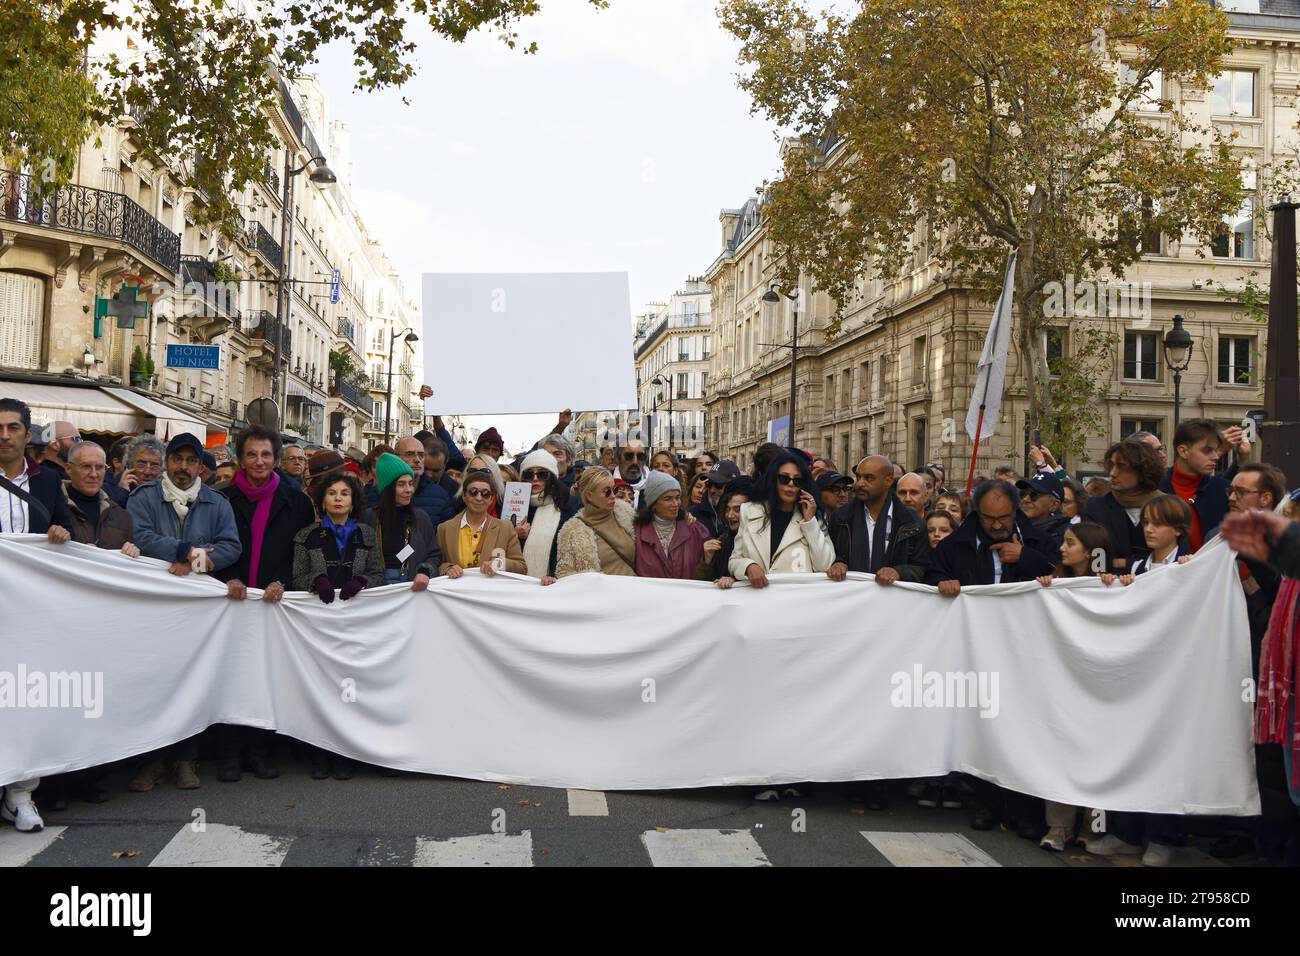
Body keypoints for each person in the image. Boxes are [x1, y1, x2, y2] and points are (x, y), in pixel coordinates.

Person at [125, 432, 242, 792]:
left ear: (200, 467)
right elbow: (140, 537)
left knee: (191, 683)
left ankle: (186, 760)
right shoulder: (143, 498)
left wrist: (191, 561)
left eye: (192, 461)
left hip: (195, 611)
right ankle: (152, 760)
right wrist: (182, 549)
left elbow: (231, 546)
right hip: (154, 608)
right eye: (178, 459)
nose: (184, 467)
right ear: (167, 462)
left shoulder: (216, 503)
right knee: (155, 683)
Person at [214, 424, 317, 783]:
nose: (259, 461)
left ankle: (260, 751)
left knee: (265, 676)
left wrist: (283, 582)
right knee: (232, 676)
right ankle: (228, 753)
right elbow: (212, 546)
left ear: (276, 459)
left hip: (275, 603)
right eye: (251, 454)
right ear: (240, 459)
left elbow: (304, 554)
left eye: (266, 454)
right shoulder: (221, 498)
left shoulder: (298, 502)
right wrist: (227, 578)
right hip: (232, 600)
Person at [1034, 522, 1119, 852]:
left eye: (1070, 543)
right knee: (1060, 755)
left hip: (1099, 686)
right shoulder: (1055, 584)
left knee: (1098, 759)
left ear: (1091, 550)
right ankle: (1058, 827)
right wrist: (1043, 590)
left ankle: (1093, 828)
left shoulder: (1110, 585)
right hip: (1063, 686)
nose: (1062, 548)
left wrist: (1122, 586)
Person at [291, 472, 382, 781]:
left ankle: (345, 752)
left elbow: (378, 573)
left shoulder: (367, 534)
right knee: (322, 687)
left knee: (350, 686)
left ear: (353, 500)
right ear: (322, 500)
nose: (339, 498)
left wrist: (362, 581)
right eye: (332, 493)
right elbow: (297, 576)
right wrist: (316, 581)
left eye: (345, 493)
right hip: (320, 623)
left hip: (356, 622)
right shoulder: (306, 536)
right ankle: (320, 751)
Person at [927, 480, 1055, 593]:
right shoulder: (952, 545)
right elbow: (932, 576)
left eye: (1004, 518)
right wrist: (942, 582)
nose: (997, 526)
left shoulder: (1038, 541)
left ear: (1015, 511)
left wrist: (1025, 556)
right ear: (977, 513)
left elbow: (1059, 578)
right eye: (989, 518)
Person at [729, 452, 835, 584]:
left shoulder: (815, 517)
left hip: (796, 600)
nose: (790, 484)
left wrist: (809, 522)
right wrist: (748, 566)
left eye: (797, 480)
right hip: (757, 599)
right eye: (784, 479)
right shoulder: (749, 511)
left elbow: (824, 565)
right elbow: (734, 560)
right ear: (774, 480)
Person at [826, 455, 930, 585]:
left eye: (869, 478)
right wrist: (838, 563)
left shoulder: (912, 522)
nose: (860, 483)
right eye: (858, 477)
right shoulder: (841, 518)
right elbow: (829, 556)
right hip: (851, 598)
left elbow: (923, 567)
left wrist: (899, 572)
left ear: (888, 481)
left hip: (894, 600)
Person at [1083, 439, 1163, 572]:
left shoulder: (1168, 507)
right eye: (1112, 465)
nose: (1112, 473)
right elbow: (1096, 563)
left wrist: (1126, 564)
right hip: (1109, 587)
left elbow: (1174, 560)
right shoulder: (1096, 507)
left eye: (1122, 466)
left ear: (1142, 471)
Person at [0, 397, 73, 538]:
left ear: (27, 436)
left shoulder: (49, 481)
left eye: (13, 428)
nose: (4, 436)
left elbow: (66, 530)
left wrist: (61, 532)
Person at [1159, 418, 1230, 553]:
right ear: (1183, 451)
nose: (1215, 456)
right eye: (1207, 450)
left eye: (1215, 450)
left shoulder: (1223, 490)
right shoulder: (1155, 487)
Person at [437, 470, 526, 577]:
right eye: (473, 492)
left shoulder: (506, 528)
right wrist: (448, 568)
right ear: (464, 496)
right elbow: (436, 563)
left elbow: (522, 567)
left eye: (485, 494)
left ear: (491, 499)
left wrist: (500, 563)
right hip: (454, 591)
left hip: (489, 592)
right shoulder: (444, 528)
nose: (479, 498)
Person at [371, 452, 441, 586]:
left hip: (412, 590)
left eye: (410, 483)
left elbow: (434, 555)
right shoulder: (370, 518)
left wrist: (425, 571)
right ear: (388, 488)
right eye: (401, 484)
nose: (409, 490)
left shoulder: (421, 518)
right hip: (377, 592)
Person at [556, 466, 637, 577]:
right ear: (589, 496)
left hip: (631, 590)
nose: (613, 496)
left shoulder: (626, 513)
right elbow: (564, 574)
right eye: (607, 492)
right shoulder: (571, 531)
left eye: (614, 490)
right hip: (597, 593)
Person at [62, 441, 138, 555]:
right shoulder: (52, 506)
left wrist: (132, 553)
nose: (94, 474)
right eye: (86, 466)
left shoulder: (122, 516)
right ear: (68, 469)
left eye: (99, 467)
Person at [515, 449, 578, 584]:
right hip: (519, 584)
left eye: (542, 474)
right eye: (529, 474)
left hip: (554, 584)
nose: (535, 479)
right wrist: (515, 535)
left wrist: (556, 577)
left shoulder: (568, 504)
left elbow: (572, 549)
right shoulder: (516, 505)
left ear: (552, 476)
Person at [633, 470, 710, 579]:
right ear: (653, 504)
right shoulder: (636, 533)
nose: (675, 504)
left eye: (677, 497)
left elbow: (710, 569)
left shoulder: (695, 530)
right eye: (668, 499)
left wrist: (708, 558)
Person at [695, 478, 755, 587]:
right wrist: (707, 560)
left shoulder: (760, 541)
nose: (730, 515)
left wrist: (735, 580)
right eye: (727, 509)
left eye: (737, 509)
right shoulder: (721, 541)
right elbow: (700, 585)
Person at [1016, 473, 1071, 555]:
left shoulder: (1066, 536)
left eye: (1034, 495)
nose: (1025, 499)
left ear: (1054, 505)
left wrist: (1023, 555)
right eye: (1023, 494)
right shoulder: (1012, 526)